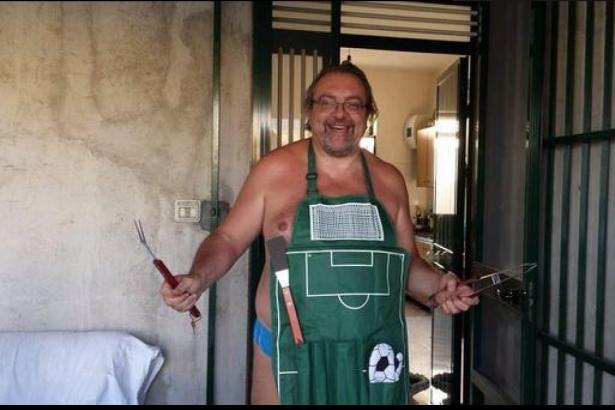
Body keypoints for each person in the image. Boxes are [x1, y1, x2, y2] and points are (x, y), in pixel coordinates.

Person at [160, 61, 479, 405]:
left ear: (368, 114)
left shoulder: (389, 180)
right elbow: (227, 239)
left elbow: (407, 265)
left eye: (353, 104)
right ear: (309, 112)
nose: (339, 114)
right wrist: (198, 276)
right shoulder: (273, 170)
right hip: (284, 347)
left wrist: (439, 286)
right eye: (327, 102)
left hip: (371, 353)